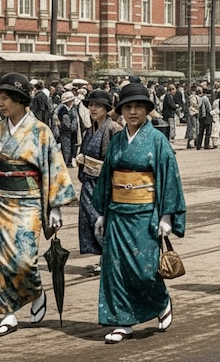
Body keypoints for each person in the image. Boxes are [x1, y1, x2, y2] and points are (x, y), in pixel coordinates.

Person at [0, 72, 77, 337]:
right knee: (0, 262)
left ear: (21, 100)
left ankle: (35, 291)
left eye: (6, 98)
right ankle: (8, 314)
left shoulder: (41, 131)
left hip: (29, 202)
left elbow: (55, 167)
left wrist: (55, 206)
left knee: (25, 259)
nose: (1, 103)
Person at [93, 82, 186, 343]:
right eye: (127, 107)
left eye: (138, 107)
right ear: (121, 111)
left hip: (145, 213)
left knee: (144, 269)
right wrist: (102, 213)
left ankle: (161, 301)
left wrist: (166, 216)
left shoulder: (157, 141)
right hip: (117, 213)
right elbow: (107, 177)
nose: (132, 112)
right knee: (116, 269)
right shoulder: (117, 140)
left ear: (147, 109)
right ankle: (122, 322)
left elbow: (170, 178)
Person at [75, 89, 123, 274]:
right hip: (88, 184)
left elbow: (120, 159)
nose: (93, 109)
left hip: (105, 185)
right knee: (90, 221)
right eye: (91, 105)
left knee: (103, 222)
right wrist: (82, 160)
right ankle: (105, 258)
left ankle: (111, 260)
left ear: (106, 108)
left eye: (98, 106)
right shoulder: (89, 130)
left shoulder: (114, 129)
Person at [56, 90, 79, 167]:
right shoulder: (62, 109)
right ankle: (65, 162)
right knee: (66, 147)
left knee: (73, 146)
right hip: (65, 131)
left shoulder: (74, 108)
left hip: (73, 131)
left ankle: (69, 161)